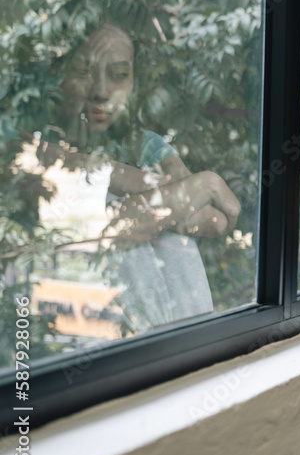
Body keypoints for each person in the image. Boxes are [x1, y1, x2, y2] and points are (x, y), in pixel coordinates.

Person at [17, 23, 241, 328]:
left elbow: (214, 218)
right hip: (75, 319)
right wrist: (202, 185)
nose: (100, 91)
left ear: (134, 83)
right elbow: (108, 229)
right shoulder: (36, 143)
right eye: (85, 72)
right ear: (60, 75)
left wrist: (101, 173)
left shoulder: (145, 144)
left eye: (119, 76)